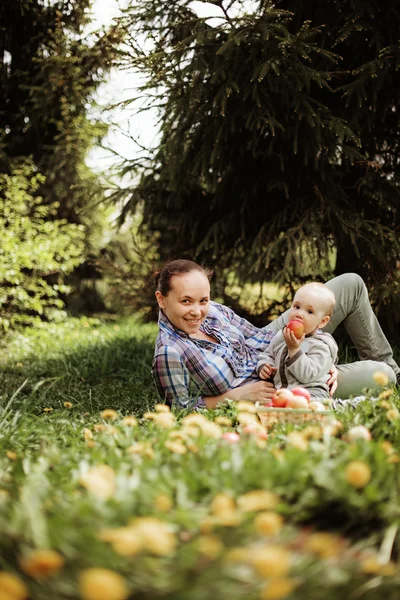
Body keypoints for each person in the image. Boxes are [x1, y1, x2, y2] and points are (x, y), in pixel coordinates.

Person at [152, 259, 398, 410]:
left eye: (203, 300)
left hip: (272, 349)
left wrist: (323, 353)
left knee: (351, 284)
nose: (197, 311)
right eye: (186, 301)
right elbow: (179, 410)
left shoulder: (212, 310)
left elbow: (257, 336)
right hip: (282, 386)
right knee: (383, 376)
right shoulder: (169, 352)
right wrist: (234, 397)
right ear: (161, 299)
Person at [256, 283, 338, 398]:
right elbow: (269, 354)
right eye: (297, 307)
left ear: (322, 322)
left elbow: (307, 375)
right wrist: (264, 366)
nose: (299, 314)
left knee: (310, 407)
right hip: (283, 392)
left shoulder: (321, 346)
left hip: (312, 392)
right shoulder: (283, 335)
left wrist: (294, 350)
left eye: (309, 312)